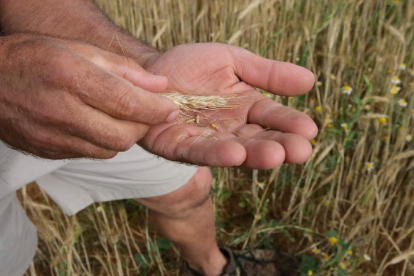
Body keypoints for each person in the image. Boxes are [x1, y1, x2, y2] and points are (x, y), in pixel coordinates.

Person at [0, 1, 318, 276]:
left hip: (65, 77)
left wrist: (144, 67)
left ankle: (212, 268)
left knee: (186, 185)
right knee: (9, 256)